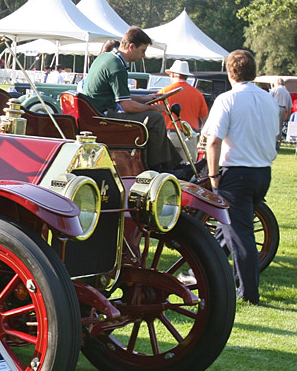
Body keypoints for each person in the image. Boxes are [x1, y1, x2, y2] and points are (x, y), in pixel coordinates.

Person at [202, 49, 280, 304]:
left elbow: (212, 140)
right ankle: (201, 272)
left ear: (230, 72)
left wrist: (213, 176)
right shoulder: (268, 99)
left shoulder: (227, 99)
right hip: (262, 172)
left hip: (236, 173)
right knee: (228, 230)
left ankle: (248, 293)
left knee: (241, 234)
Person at [82, 27, 181, 172]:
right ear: (131, 46)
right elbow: (127, 105)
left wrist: (146, 98)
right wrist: (152, 107)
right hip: (103, 117)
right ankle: (157, 168)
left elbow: (121, 95)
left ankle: (175, 165)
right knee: (156, 118)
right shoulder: (117, 67)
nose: (144, 55)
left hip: (96, 114)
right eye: (143, 50)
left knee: (153, 119)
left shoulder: (106, 58)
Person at [158, 60, 209, 131]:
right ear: (186, 76)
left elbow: (155, 114)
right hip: (191, 134)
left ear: (172, 74)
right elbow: (205, 119)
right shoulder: (197, 94)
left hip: (170, 133)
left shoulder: (164, 92)